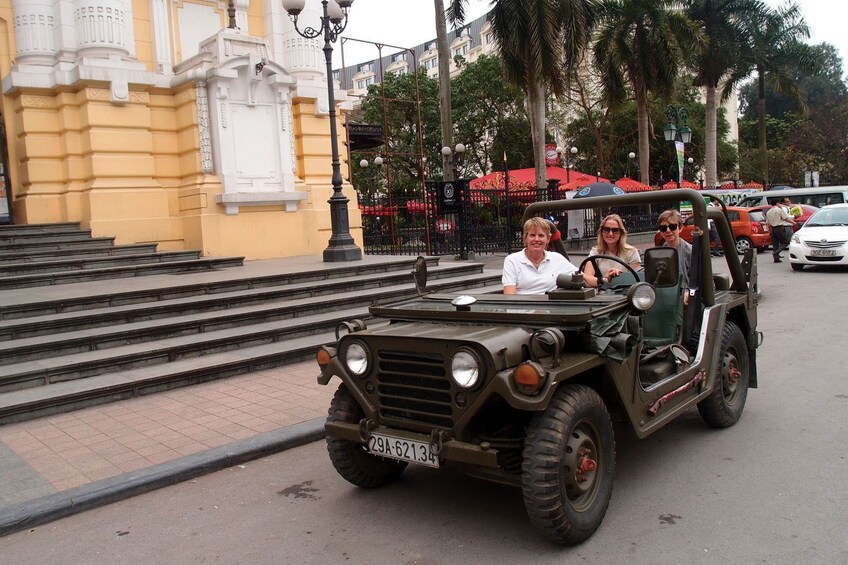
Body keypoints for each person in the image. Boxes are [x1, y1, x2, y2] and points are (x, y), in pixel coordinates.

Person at [503, 217, 578, 294]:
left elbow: (583, 278)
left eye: (541, 236)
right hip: (523, 305)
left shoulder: (557, 258)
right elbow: (510, 296)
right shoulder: (512, 260)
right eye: (532, 235)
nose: (536, 239)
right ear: (525, 238)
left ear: (548, 239)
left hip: (550, 304)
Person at [583, 214, 641, 288]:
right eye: (606, 229)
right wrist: (605, 280)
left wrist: (620, 275)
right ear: (601, 232)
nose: (610, 234)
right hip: (602, 295)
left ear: (621, 233)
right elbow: (586, 280)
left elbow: (637, 281)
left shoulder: (631, 252)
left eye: (615, 230)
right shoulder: (595, 252)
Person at [657, 209, 692, 290]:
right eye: (663, 228)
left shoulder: (691, 252)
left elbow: (702, 281)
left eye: (672, 227)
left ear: (680, 228)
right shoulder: (657, 254)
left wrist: (689, 294)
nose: (668, 231)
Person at [766, 197, 795, 263]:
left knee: (775, 244)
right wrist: (793, 222)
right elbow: (785, 218)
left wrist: (770, 231)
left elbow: (768, 223)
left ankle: (776, 259)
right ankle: (776, 253)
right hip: (779, 228)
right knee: (786, 242)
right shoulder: (779, 210)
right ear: (777, 203)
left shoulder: (768, 212)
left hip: (773, 229)